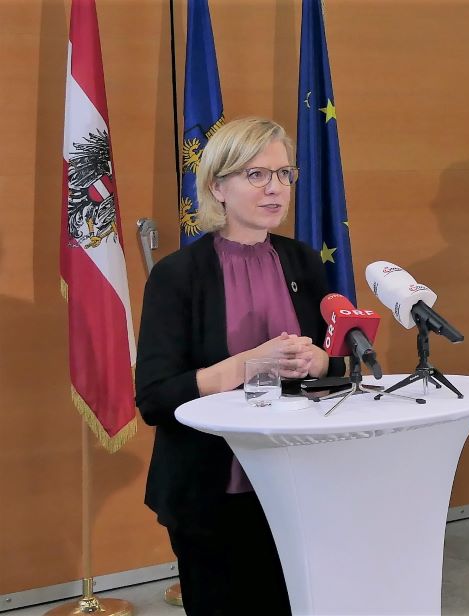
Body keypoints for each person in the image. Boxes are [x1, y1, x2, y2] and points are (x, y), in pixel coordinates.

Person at [135, 117, 344, 615]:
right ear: (217, 187)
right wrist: (249, 365)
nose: (275, 188)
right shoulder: (177, 276)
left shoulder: (303, 262)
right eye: (256, 175)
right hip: (212, 492)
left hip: (298, 483)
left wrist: (320, 362)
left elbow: (341, 370)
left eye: (284, 174)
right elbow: (156, 399)